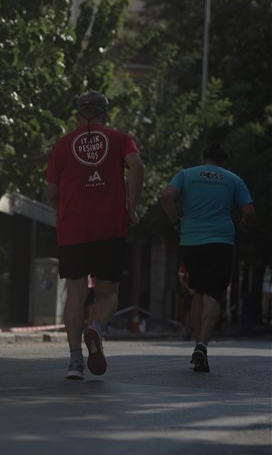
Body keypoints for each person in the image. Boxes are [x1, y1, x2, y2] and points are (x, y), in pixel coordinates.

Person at [46, 90, 144, 379]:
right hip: (110, 226)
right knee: (108, 292)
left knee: (75, 293)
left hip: (72, 228)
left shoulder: (62, 145)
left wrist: (64, 212)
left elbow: (51, 191)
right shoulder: (120, 138)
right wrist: (131, 208)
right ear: (104, 114)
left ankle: (75, 362)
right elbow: (137, 166)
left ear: (78, 116)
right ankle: (96, 327)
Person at [161, 142, 255, 373]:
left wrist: (175, 222)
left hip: (190, 241)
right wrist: (244, 225)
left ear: (203, 157)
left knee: (197, 291)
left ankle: (197, 344)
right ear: (224, 161)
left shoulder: (186, 174)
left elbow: (167, 196)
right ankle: (202, 345)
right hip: (220, 242)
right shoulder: (233, 179)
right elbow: (249, 211)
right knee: (212, 294)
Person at [177, 262, 194, 340]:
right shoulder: (185, 264)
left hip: (199, 292)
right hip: (188, 293)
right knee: (188, 313)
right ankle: (188, 332)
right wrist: (189, 289)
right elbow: (181, 278)